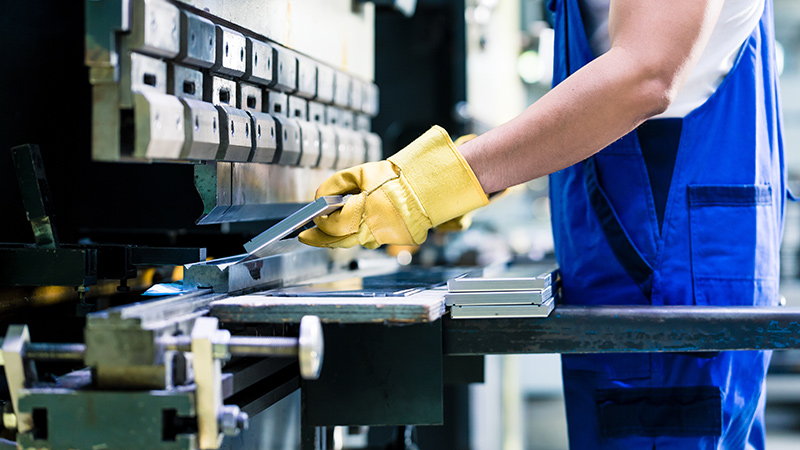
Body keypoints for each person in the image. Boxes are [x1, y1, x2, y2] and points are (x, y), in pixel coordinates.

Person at [300, 0, 785, 447]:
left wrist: (434, 185)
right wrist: (475, 181)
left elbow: (646, 75)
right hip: (648, 285)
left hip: (667, 285)